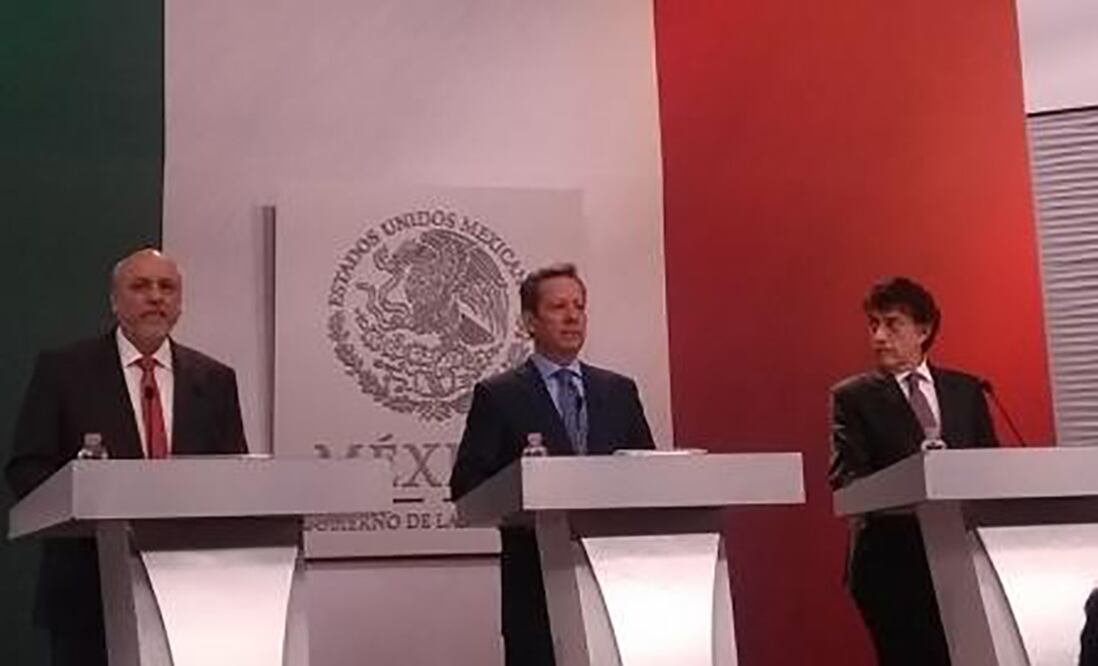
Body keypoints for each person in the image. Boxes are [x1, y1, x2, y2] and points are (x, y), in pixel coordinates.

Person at [6, 248, 248, 666]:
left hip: (191, 591)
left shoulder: (215, 379)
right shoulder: (65, 371)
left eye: (167, 287)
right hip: (88, 594)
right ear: (114, 301)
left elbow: (235, 474)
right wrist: (85, 498)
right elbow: (27, 467)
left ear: (180, 302)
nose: (156, 297)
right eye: (140, 286)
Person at [450, 263, 654, 666]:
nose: (573, 316)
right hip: (537, 584)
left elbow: (646, 471)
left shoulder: (618, 391)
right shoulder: (499, 396)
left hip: (616, 581)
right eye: (558, 307)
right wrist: (527, 488)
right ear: (530, 322)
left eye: (579, 306)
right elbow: (467, 485)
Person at [829, 276, 998, 666]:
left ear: (923, 330)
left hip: (964, 556)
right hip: (891, 563)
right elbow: (846, 481)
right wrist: (915, 473)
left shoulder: (967, 389)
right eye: (873, 325)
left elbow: (991, 464)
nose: (879, 336)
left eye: (892, 323)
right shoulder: (852, 397)